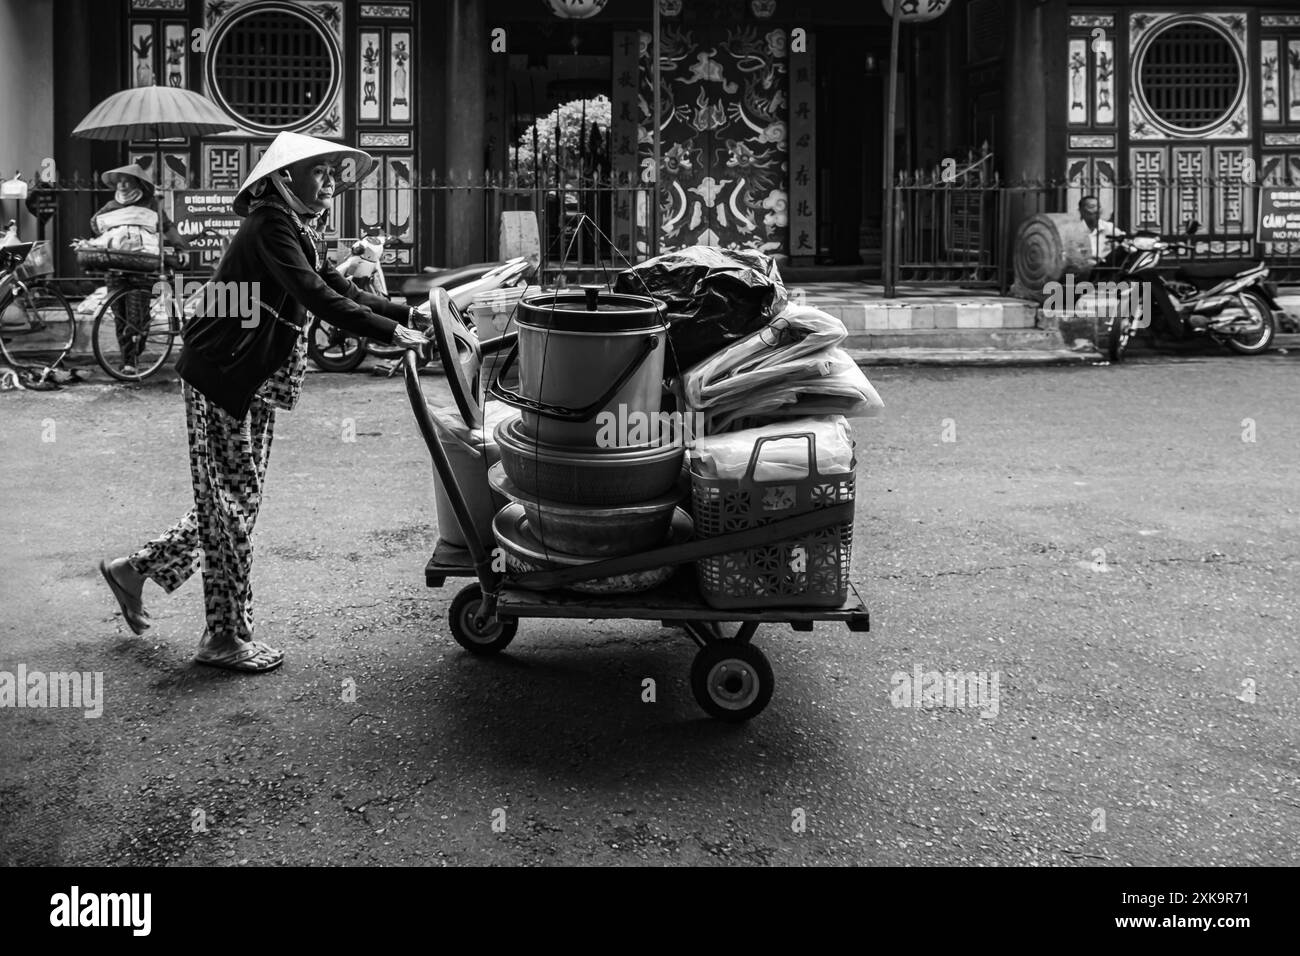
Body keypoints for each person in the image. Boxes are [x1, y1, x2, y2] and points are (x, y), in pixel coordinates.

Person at [98, 133, 429, 673]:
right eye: (319, 172)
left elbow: (334, 286)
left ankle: (133, 571)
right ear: (282, 179)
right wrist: (390, 333)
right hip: (221, 377)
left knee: (234, 502)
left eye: (330, 173)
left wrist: (405, 316)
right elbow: (317, 297)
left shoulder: (296, 227)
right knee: (231, 506)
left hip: (253, 379)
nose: (329, 182)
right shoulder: (271, 224)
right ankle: (224, 637)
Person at [90, 164, 190, 376]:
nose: (123, 185)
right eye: (119, 181)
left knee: (138, 317)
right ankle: (128, 360)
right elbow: (95, 224)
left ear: (138, 184)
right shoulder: (110, 206)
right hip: (116, 268)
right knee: (120, 315)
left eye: (127, 181)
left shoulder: (151, 205)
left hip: (141, 268)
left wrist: (181, 247)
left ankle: (133, 356)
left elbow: (167, 227)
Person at [1078, 195, 1124, 268]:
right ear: (1081, 211)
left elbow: (1123, 240)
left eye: (1098, 207)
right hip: (1081, 269)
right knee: (1069, 275)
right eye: (1092, 206)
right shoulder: (1074, 229)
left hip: (1103, 270)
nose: (1096, 210)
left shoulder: (1108, 228)